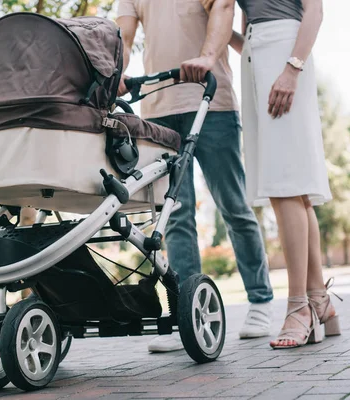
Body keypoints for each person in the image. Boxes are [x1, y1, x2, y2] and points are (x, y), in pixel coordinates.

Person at [116, 0, 274, 352]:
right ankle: (189, 317)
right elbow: (124, 37)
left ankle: (261, 301)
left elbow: (222, 9)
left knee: (233, 205)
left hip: (211, 102)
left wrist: (205, 57)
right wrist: (118, 72)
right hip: (159, 110)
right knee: (175, 215)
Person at [189, 0, 338, 349]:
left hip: (286, 54)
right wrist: (221, 31)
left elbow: (314, 11)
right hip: (257, 55)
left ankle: (299, 306)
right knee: (292, 187)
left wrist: (292, 68)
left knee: (285, 184)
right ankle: (319, 301)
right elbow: (247, 23)